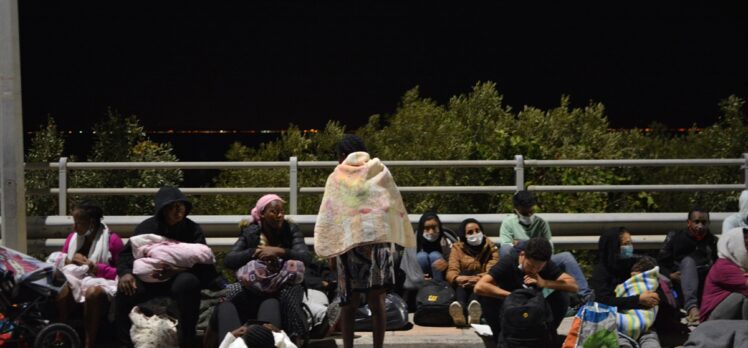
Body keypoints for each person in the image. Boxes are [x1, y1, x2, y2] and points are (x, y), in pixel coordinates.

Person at [313, 134, 416, 348]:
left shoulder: (337, 177)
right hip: (378, 245)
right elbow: (391, 204)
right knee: (377, 302)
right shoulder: (379, 170)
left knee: (348, 304)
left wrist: (332, 250)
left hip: (348, 246)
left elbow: (332, 216)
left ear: (342, 155)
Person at [115, 186, 223, 348]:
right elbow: (126, 255)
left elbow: (205, 265)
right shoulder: (147, 227)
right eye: (172, 208)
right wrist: (126, 274)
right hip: (149, 279)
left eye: (181, 207)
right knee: (126, 290)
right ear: (163, 210)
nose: (177, 212)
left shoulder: (192, 230)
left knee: (188, 283)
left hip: (177, 279)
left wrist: (176, 270)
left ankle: (187, 339)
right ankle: (123, 343)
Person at [213, 194, 311, 344]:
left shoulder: (291, 229)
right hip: (256, 285)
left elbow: (305, 257)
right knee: (232, 292)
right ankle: (230, 336)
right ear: (262, 214)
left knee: (289, 294)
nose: (279, 215)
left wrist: (280, 251)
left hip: (283, 283)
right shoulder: (251, 231)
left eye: (281, 211)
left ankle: (295, 338)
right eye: (274, 211)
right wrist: (254, 252)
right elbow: (230, 260)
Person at [475, 237, 578, 341]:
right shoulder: (509, 262)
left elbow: (573, 285)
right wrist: (512, 297)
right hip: (510, 310)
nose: (534, 270)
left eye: (539, 268)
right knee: (487, 298)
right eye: (530, 265)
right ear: (522, 255)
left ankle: (547, 334)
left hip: (534, 311)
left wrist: (544, 282)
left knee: (562, 295)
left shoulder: (546, 265)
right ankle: (500, 337)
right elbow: (480, 286)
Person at [498, 190, 592, 299]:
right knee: (504, 249)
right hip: (521, 260)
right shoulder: (508, 223)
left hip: (540, 259)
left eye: (531, 211)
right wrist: (534, 244)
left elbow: (549, 247)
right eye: (525, 213)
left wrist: (522, 243)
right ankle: (508, 284)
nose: (529, 215)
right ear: (516, 210)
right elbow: (507, 247)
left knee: (566, 257)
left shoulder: (541, 223)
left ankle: (585, 295)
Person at [56, 201, 124, 348]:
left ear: (91, 223)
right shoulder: (72, 238)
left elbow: (122, 272)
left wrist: (94, 268)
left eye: (78, 223)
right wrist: (69, 260)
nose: (75, 228)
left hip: (103, 283)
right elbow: (61, 260)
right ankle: (60, 335)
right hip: (78, 280)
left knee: (93, 292)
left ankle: (89, 343)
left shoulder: (113, 241)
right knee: (63, 287)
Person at [589, 228, 662, 348]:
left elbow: (652, 279)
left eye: (631, 243)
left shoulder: (635, 265)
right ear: (614, 247)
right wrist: (637, 300)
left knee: (651, 343)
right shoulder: (601, 272)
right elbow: (603, 301)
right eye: (625, 244)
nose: (630, 247)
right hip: (617, 324)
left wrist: (654, 296)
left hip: (643, 322)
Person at [657, 207, 718, 326]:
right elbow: (659, 262)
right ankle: (692, 308)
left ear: (708, 224)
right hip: (681, 283)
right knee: (689, 262)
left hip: (703, 282)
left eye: (704, 222)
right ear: (689, 222)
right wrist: (670, 275)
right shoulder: (675, 237)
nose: (700, 226)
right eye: (696, 222)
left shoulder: (713, 241)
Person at [446, 218, 498, 326]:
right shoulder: (457, 248)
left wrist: (478, 278)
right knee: (464, 274)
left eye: (477, 231)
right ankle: (461, 310)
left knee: (476, 280)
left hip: (482, 283)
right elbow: (452, 270)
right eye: (470, 232)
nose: (475, 234)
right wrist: (457, 278)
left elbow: (493, 270)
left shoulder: (491, 247)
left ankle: (472, 310)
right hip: (462, 283)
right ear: (464, 236)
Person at [699, 227, 748, 322]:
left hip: (727, 315)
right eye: (745, 243)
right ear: (734, 245)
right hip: (711, 321)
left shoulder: (738, 264)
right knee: (743, 296)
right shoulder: (723, 266)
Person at [415, 212, 457, 282]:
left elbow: (456, 260)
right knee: (421, 256)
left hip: (442, 276)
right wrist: (418, 276)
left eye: (434, 227)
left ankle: (438, 287)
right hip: (420, 280)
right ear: (421, 229)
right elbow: (408, 264)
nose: (431, 232)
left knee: (435, 255)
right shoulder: (415, 240)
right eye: (427, 228)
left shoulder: (446, 239)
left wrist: (447, 263)